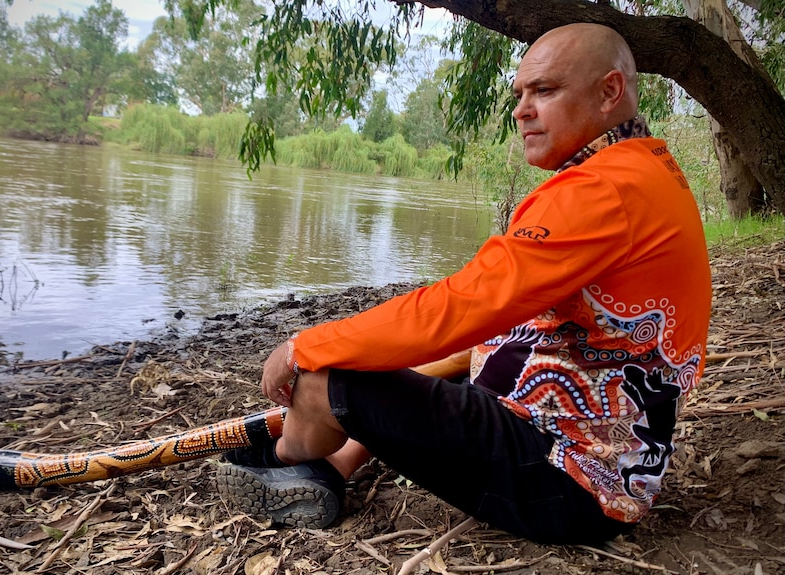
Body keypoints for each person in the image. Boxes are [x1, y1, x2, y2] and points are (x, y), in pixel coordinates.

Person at [217, 22, 712, 545]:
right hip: (602, 448)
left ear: (610, 91)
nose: (522, 110)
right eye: (520, 94)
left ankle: (288, 460)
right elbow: (492, 323)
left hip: (569, 484)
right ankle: (335, 465)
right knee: (408, 360)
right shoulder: (644, 166)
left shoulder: (602, 191)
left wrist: (304, 347)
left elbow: (463, 304)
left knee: (322, 378)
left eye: (544, 91)